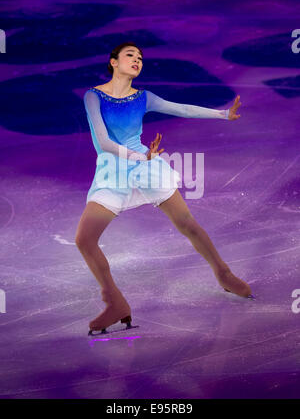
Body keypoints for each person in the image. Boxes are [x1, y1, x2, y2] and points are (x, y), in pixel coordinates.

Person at [75, 41, 254, 335]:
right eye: (130, 55)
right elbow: (104, 143)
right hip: (114, 171)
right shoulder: (93, 96)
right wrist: (140, 155)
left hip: (147, 166)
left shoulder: (143, 97)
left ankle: (223, 273)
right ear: (113, 62)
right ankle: (115, 301)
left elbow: (181, 108)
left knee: (187, 224)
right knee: (85, 239)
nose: (137, 60)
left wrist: (223, 115)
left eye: (140, 58)